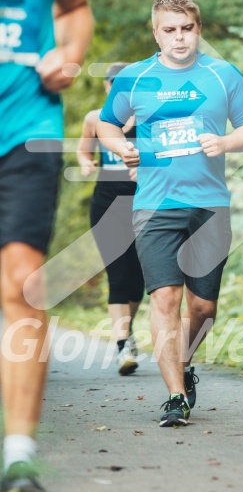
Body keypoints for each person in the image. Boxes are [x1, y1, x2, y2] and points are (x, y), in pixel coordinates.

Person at [97, 0, 243, 427]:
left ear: (198, 29)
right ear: (156, 33)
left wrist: (226, 142)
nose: (179, 38)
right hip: (154, 204)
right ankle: (174, 397)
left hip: (209, 204)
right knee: (165, 297)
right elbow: (106, 122)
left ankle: (185, 365)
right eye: (169, 30)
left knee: (203, 308)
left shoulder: (222, 74)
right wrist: (121, 147)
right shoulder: (136, 77)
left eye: (186, 28)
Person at [0, 0, 93, 490]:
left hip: (26, 126)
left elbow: (75, 8)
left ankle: (18, 453)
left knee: (22, 280)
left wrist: (71, 52)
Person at [77, 63, 145, 376]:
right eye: (114, 83)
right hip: (106, 205)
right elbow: (82, 151)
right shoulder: (95, 118)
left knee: (139, 282)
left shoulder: (147, 117)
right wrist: (86, 163)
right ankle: (122, 346)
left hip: (144, 204)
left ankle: (126, 333)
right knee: (118, 277)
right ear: (106, 86)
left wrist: (147, 166)